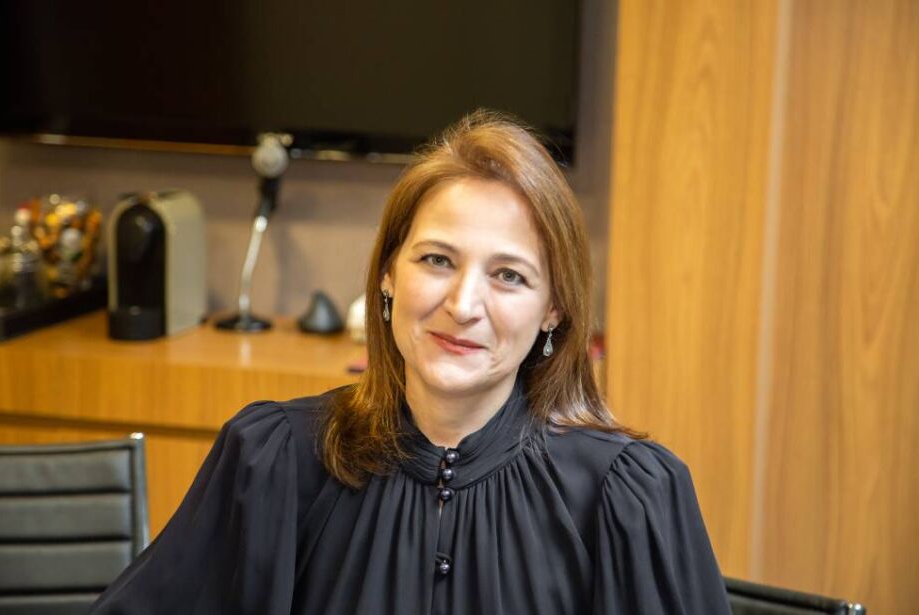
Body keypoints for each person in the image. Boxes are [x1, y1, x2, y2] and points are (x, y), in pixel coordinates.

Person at [90, 110, 731, 614]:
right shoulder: (274, 461)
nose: (463, 305)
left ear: (553, 311)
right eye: (437, 260)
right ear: (389, 275)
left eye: (508, 275)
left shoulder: (627, 496)